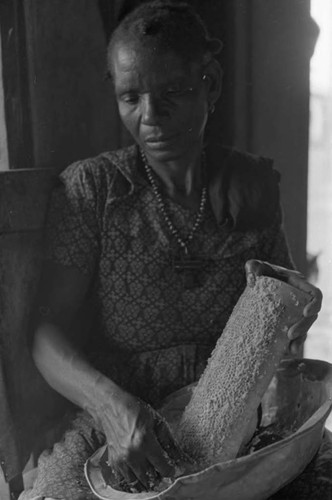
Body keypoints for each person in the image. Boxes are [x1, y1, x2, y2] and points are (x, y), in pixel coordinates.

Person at [20, 2, 325, 500]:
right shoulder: (94, 191)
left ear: (211, 84)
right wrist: (112, 410)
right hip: (120, 421)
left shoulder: (250, 187)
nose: (150, 117)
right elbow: (44, 335)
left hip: (233, 422)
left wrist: (295, 317)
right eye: (129, 97)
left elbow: (285, 316)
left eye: (172, 94)